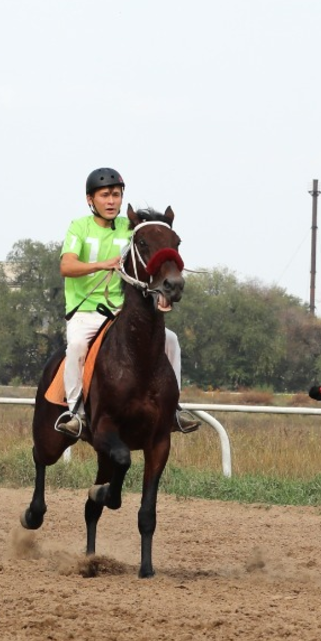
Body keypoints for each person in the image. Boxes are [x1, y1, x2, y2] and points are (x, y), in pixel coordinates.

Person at [56, 167, 198, 438]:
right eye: (105, 195)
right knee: (76, 346)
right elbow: (67, 266)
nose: (111, 201)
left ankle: (175, 409)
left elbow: (153, 248)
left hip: (122, 312)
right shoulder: (79, 227)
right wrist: (102, 264)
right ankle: (75, 412)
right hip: (86, 311)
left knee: (171, 340)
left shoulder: (130, 227)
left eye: (116, 195)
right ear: (90, 200)